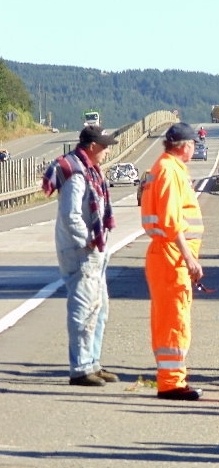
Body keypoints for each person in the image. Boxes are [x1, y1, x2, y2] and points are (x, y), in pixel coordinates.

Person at [41, 125, 120, 386]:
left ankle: (92, 361)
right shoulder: (77, 175)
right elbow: (70, 214)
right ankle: (80, 368)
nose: (108, 151)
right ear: (93, 147)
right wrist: (87, 240)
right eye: (105, 146)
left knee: (99, 308)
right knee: (83, 308)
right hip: (81, 252)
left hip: (95, 250)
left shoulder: (89, 170)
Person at [140, 122, 205, 401]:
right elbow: (171, 222)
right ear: (186, 145)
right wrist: (188, 257)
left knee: (170, 318)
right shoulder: (168, 170)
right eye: (193, 145)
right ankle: (171, 384)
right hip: (171, 256)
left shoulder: (167, 167)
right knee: (174, 320)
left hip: (168, 256)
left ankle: (172, 380)